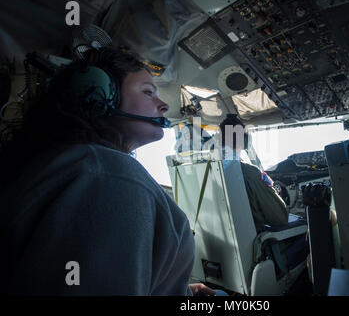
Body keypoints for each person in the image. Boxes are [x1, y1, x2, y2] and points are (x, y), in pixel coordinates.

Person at [0, 47, 215, 296]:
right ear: (98, 92)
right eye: (148, 92)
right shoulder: (108, 175)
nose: (164, 106)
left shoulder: (73, 163)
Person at [219, 114, 288, 232]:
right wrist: (277, 195)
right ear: (244, 141)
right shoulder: (250, 173)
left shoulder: (207, 171)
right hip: (255, 243)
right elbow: (280, 218)